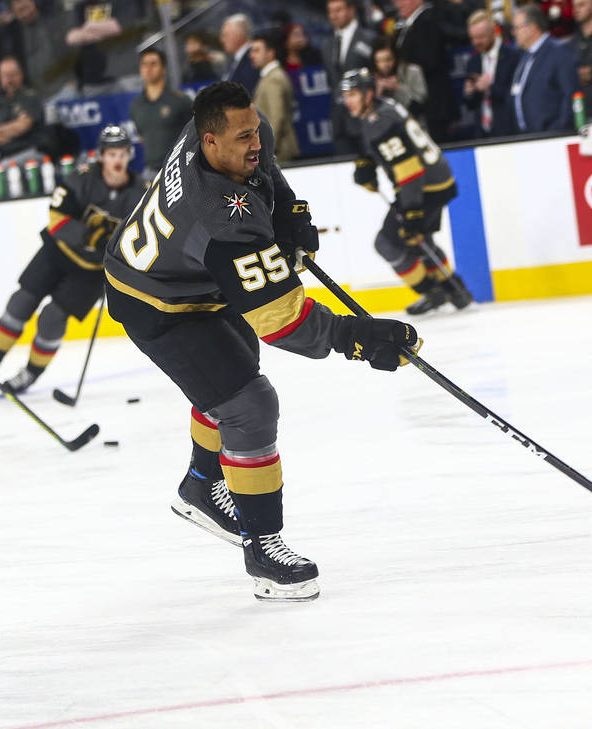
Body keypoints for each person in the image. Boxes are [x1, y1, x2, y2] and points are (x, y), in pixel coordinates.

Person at [102, 81, 420, 602]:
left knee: (236, 362)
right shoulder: (222, 219)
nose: (256, 141)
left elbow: (264, 164)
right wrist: (357, 337)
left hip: (182, 274)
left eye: (255, 128)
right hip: (155, 302)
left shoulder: (220, 133)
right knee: (248, 403)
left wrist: (288, 209)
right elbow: (283, 322)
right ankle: (263, 548)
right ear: (209, 141)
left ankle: (203, 485)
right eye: (243, 135)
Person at [0, 126, 143, 397]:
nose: (117, 160)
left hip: (91, 272)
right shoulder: (81, 179)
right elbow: (57, 218)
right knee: (21, 302)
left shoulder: (141, 192)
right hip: (59, 253)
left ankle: (29, 374)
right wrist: (91, 236)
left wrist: (118, 252)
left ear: (129, 155)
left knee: (52, 318)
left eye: (122, 154)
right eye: (111, 153)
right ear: (101, 155)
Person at [340, 68, 474, 315]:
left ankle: (432, 291)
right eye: (346, 96)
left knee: (387, 243)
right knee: (419, 240)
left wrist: (412, 210)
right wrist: (368, 163)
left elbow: (409, 169)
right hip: (438, 181)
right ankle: (455, 290)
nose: (348, 101)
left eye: (354, 95)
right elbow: (397, 150)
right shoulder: (383, 109)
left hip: (424, 187)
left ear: (369, 93)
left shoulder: (380, 121)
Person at [508, 3, 579, 132]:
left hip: (552, 136)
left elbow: (570, 93)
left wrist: (560, 129)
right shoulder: (525, 57)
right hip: (528, 137)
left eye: (517, 28)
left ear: (532, 28)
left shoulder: (559, 51)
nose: (514, 33)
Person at [393, 0, 454, 141]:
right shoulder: (406, 25)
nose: (398, 4)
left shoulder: (428, 21)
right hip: (418, 104)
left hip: (433, 105)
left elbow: (429, 61)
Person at [130, 47, 191, 181]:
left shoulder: (180, 101)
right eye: (144, 64)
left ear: (164, 69)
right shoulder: (136, 105)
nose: (148, 68)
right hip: (150, 172)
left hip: (179, 170)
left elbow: (194, 135)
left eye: (153, 64)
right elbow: (141, 136)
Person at [325, 0, 377, 154]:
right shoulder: (326, 45)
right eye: (330, 11)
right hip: (340, 122)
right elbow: (331, 81)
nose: (334, 15)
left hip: (364, 118)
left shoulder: (369, 39)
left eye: (338, 10)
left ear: (351, 10)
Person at [463, 9, 520, 137]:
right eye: (473, 38)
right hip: (482, 134)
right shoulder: (473, 61)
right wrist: (469, 93)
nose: (476, 42)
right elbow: (471, 105)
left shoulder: (512, 56)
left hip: (509, 132)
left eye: (481, 37)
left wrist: (490, 88)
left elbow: (516, 96)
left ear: (493, 32)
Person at [249, 30, 299, 163]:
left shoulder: (274, 79)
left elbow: (277, 117)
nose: (251, 55)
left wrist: (265, 151)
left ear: (270, 53)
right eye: (252, 51)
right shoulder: (270, 77)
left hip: (279, 153)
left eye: (256, 50)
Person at [0, 56, 45, 166]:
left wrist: (0, 129)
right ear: (0, 78)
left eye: (13, 75)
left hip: (30, 153)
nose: (9, 80)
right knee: (0, 170)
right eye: (6, 76)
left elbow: (25, 125)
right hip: (6, 156)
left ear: (21, 75)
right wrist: (14, 128)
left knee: (9, 167)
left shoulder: (30, 97)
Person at [370, 34, 427, 122]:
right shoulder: (371, 78)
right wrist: (378, 94)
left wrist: (398, 88)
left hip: (413, 124)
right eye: (379, 61)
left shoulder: (412, 72)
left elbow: (421, 106)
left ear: (395, 57)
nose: (384, 65)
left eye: (388, 59)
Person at [219, 13, 258, 94]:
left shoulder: (251, 59)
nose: (222, 40)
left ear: (239, 35)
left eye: (225, 35)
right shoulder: (237, 59)